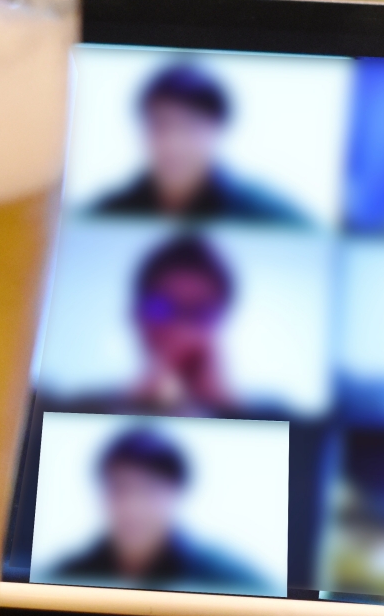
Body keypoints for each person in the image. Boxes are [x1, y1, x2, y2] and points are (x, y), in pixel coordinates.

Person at [45, 429, 272, 594]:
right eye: (120, 489)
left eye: (149, 491)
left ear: (175, 494)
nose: (132, 508)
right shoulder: (64, 575)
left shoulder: (231, 579)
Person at [90, 64, 309, 224]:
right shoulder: (105, 215)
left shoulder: (271, 217)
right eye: (160, 125)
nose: (173, 144)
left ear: (217, 130)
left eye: (189, 127)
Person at [122, 233, 240, 415]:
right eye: (162, 309)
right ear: (137, 316)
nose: (181, 329)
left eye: (199, 313)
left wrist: (222, 407)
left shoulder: (269, 414)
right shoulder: (84, 407)